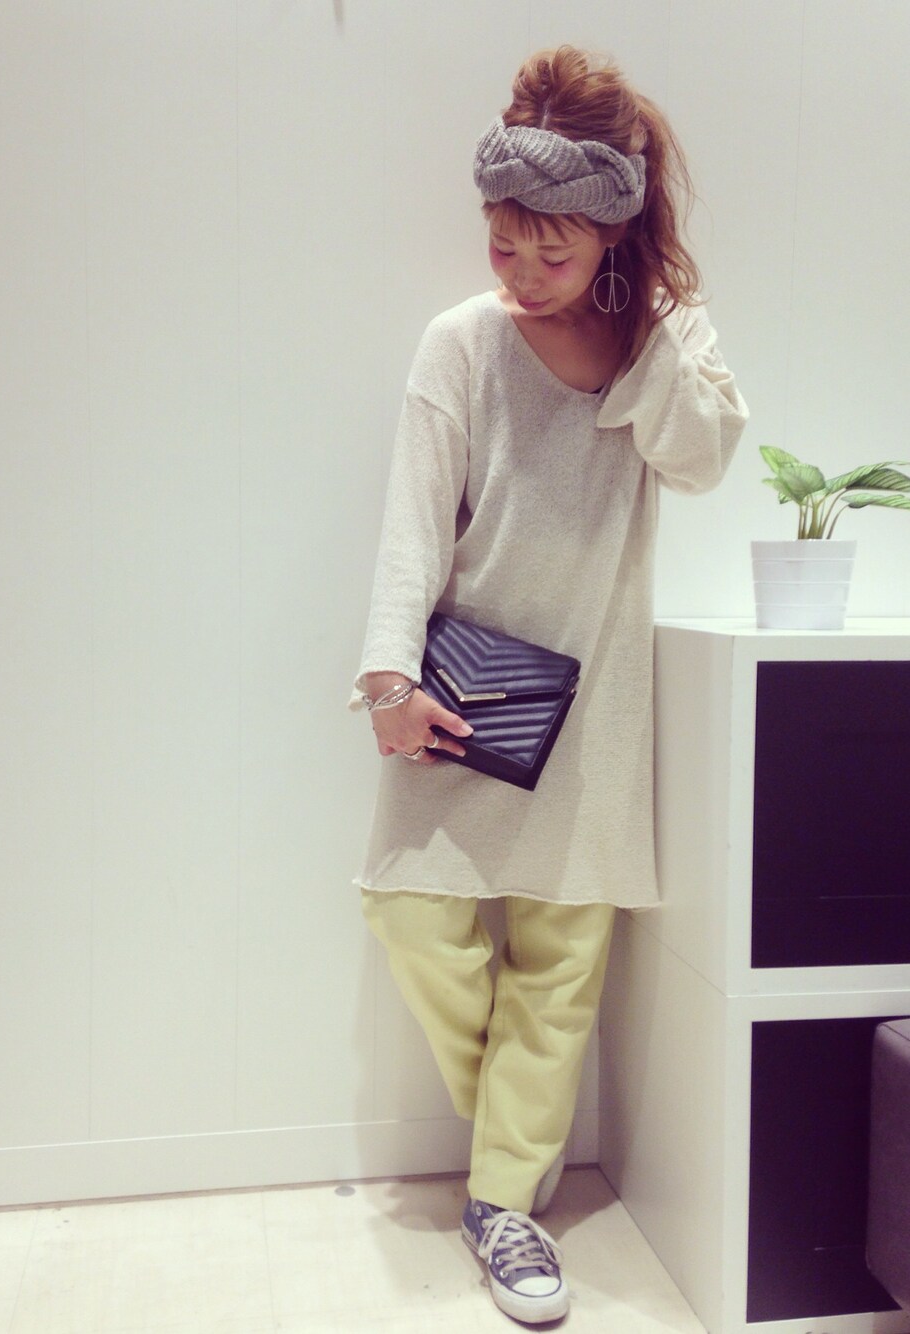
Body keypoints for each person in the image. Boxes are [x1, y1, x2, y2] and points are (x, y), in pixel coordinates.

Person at [351, 45, 747, 1326]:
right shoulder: (462, 342)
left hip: (599, 698)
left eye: (553, 254)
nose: (520, 274)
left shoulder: (661, 340)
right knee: (410, 912)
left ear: (612, 234)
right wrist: (387, 679)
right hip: (462, 692)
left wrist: (651, 326)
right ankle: (513, 1134)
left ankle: (502, 1202)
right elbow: (413, 524)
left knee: (562, 959)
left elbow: (702, 461)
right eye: (503, 243)